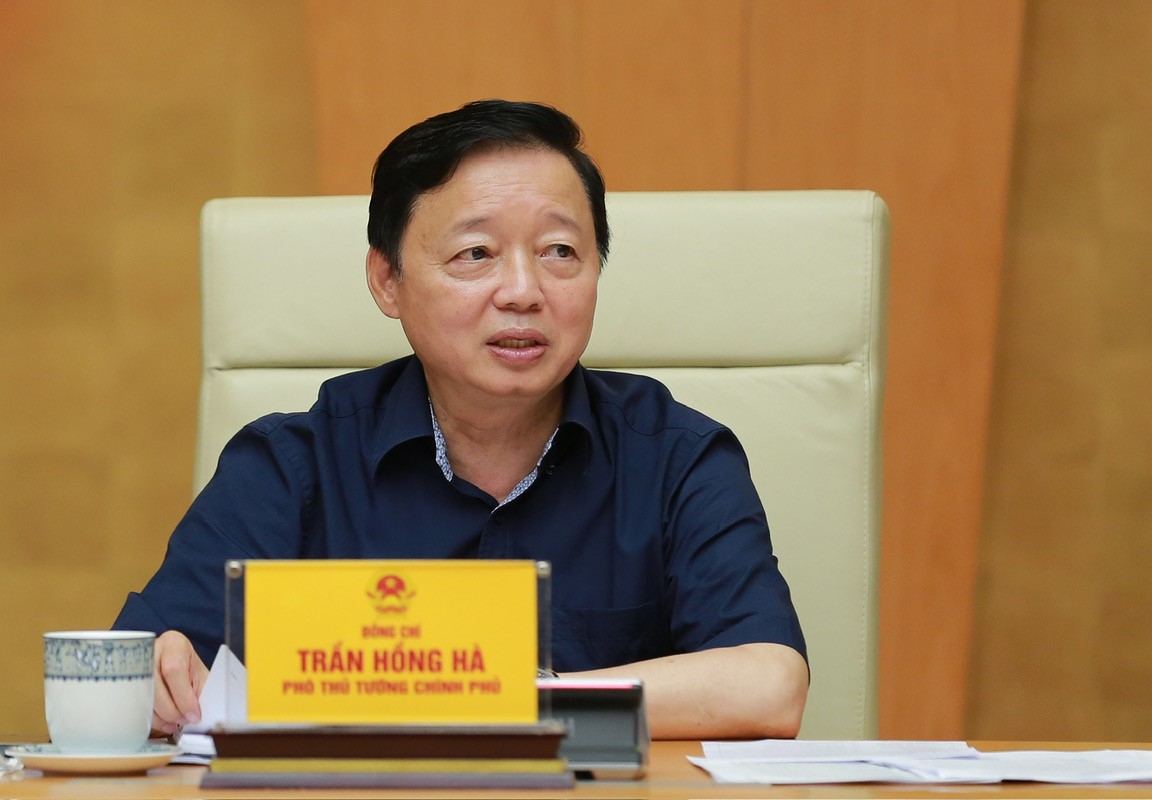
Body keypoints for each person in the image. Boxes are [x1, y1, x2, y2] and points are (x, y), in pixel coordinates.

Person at [113, 99, 808, 740]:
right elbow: (137, 673)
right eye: (476, 254)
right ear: (387, 281)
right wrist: (160, 681)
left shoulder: (679, 458)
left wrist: (499, 701)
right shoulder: (293, 465)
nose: (523, 291)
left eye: (560, 252)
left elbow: (769, 686)